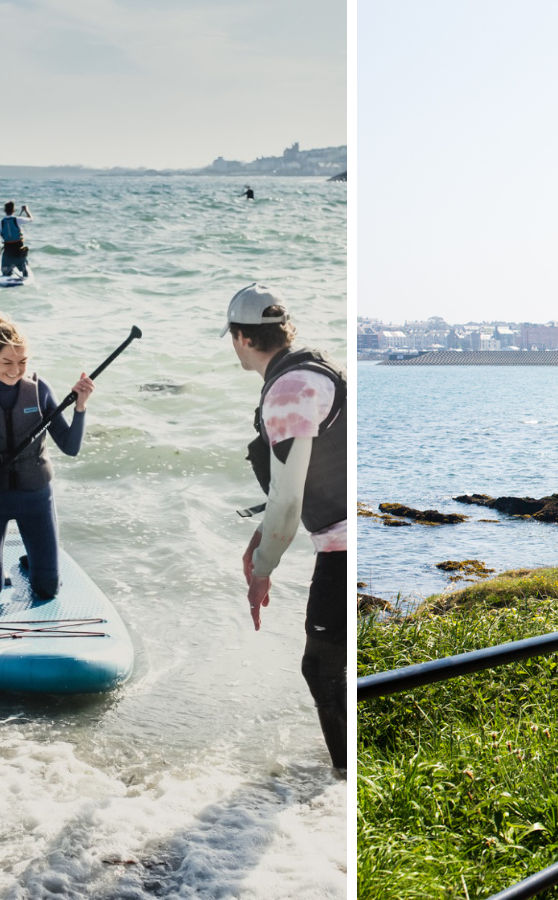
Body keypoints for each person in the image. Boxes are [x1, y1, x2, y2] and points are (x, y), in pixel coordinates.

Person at [224, 283, 346, 774]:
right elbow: (288, 487)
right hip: (341, 536)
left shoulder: (289, 391)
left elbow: (291, 497)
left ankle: (343, 785)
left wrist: (262, 567)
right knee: (330, 666)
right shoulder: (314, 368)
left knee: (321, 668)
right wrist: (260, 545)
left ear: (241, 338)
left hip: (342, 543)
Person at [0, 315, 95, 602]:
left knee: (47, 589)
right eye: (6, 363)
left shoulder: (39, 391)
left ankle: (32, 562)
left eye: (22, 362)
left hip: (36, 498)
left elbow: (70, 447)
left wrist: (81, 407)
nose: (15, 371)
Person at [0, 201, 34, 278]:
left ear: (5, 211)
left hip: (7, 248)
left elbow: (2, 234)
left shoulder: (1, 222)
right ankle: (22, 268)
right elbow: (31, 219)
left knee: (5, 270)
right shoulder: (17, 219)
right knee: (22, 264)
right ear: (14, 210)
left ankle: (8, 269)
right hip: (18, 248)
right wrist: (26, 210)